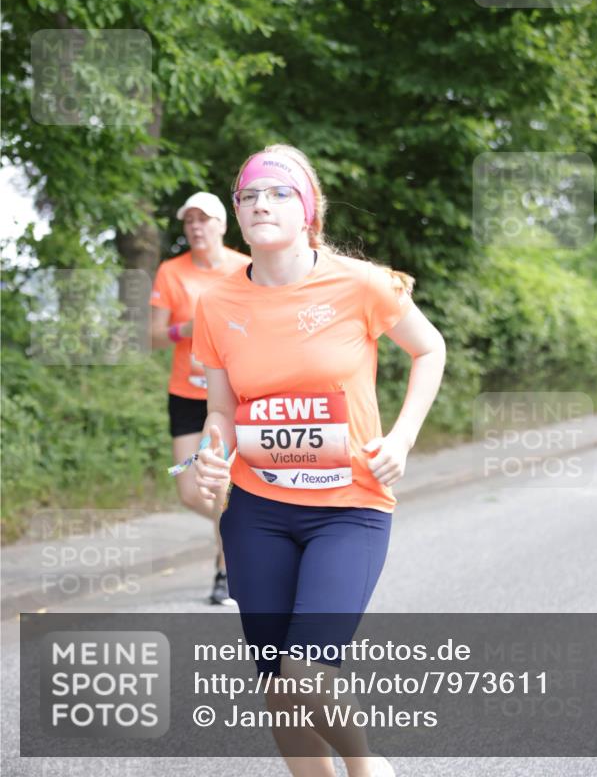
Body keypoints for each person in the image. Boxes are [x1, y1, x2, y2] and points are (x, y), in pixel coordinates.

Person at [193, 146, 446, 777]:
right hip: (257, 511)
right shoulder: (216, 304)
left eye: (278, 193)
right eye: (250, 196)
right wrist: (209, 453)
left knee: (305, 672)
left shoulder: (360, 284)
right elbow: (221, 410)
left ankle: (366, 767)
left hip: (349, 507)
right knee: (278, 686)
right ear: (237, 213)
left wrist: (402, 438)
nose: (261, 204)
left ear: (309, 211)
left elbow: (429, 349)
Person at [150, 191, 249, 605]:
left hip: (231, 393)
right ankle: (245, 524)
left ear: (222, 225)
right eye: (189, 220)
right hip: (187, 394)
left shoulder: (244, 267)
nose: (195, 227)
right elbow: (153, 337)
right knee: (191, 490)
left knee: (219, 483)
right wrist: (185, 329)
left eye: (203, 219)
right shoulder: (171, 272)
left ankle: (226, 573)